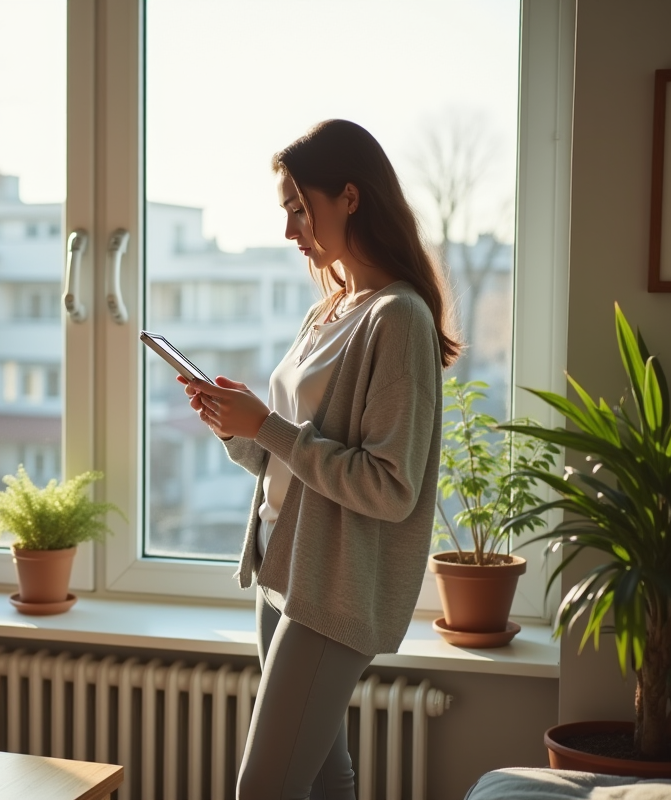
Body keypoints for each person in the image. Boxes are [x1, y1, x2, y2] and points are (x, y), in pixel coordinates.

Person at [182, 119, 460, 800]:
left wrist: (270, 427)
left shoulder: (398, 319)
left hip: (332, 588)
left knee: (263, 789)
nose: (290, 231)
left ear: (351, 197)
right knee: (326, 777)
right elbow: (294, 463)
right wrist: (237, 428)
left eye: (299, 208)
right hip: (285, 565)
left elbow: (390, 487)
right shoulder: (332, 309)